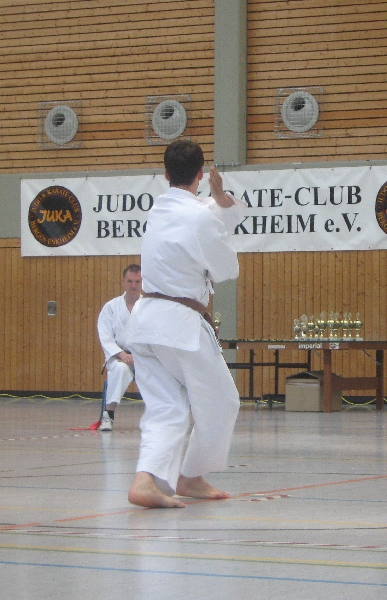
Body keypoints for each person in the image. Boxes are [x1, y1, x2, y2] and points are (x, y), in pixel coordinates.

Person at [125, 139, 245, 508]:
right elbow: (227, 269)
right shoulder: (199, 216)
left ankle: (145, 481)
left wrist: (219, 201)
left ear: (165, 174)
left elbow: (203, 214)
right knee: (223, 402)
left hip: (144, 324)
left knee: (168, 408)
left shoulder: (158, 210)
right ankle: (190, 477)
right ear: (201, 173)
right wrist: (219, 201)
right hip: (179, 326)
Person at [96, 263, 142, 432]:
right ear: (123, 281)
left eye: (137, 281)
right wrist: (122, 355)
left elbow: (156, 335)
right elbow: (105, 337)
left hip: (144, 357)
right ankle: (108, 414)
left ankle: (160, 417)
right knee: (120, 370)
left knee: (163, 374)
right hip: (119, 356)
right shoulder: (111, 307)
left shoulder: (149, 307)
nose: (133, 286)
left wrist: (140, 356)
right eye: (130, 281)